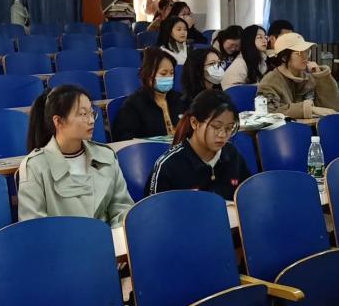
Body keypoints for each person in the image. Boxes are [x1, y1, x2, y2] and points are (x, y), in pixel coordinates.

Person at [18, 85, 134, 226]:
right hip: (61, 240)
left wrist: (113, 235)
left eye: (92, 113)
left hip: (108, 237)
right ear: (58, 121)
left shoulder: (106, 156)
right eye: (83, 114)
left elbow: (122, 211)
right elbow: (34, 225)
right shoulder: (35, 166)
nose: (91, 120)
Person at [146, 89, 251, 200]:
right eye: (216, 127)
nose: (223, 135)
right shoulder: (168, 166)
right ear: (194, 123)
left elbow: (249, 196)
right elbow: (154, 208)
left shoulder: (232, 154)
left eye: (229, 128)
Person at [255, 32, 339, 119]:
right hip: (284, 127)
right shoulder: (270, 82)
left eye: (307, 51)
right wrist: (309, 109)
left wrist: (321, 76)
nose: (305, 56)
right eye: (299, 53)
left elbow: (333, 107)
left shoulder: (308, 78)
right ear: (284, 57)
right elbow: (269, 111)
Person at [112, 48, 186, 140]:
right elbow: (124, 137)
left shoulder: (180, 99)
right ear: (148, 76)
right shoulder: (133, 105)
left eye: (171, 73)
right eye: (163, 74)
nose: (169, 77)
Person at [222, 25, 268, 89]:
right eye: (259, 37)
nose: (265, 40)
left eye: (265, 37)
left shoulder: (261, 59)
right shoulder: (241, 62)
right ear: (250, 39)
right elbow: (231, 89)